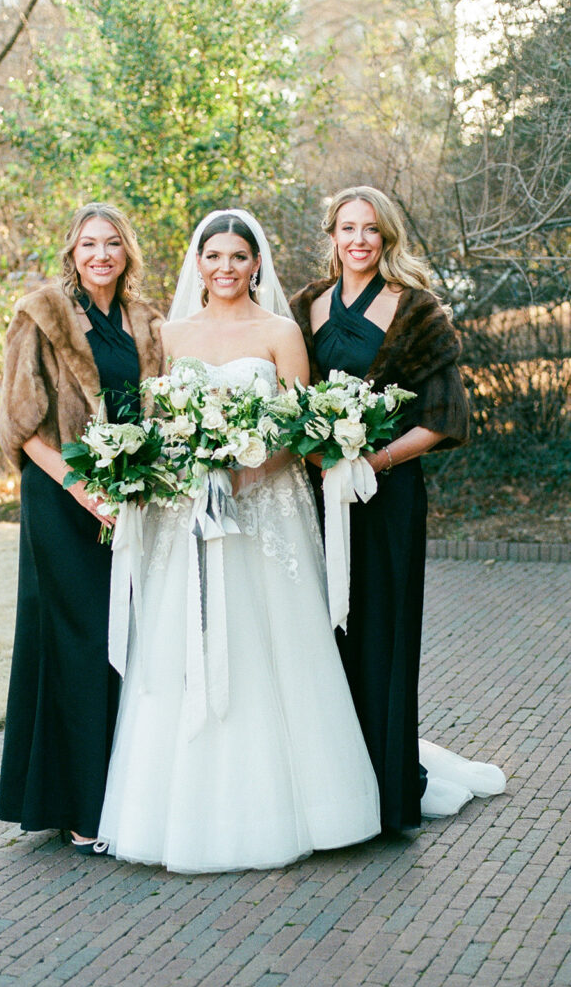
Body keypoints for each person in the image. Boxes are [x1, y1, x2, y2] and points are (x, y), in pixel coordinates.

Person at [97, 209, 381, 872]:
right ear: (196, 262)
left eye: (237, 257)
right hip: (185, 510)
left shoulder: (280, 331)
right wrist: (194, 464)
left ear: (257, 264)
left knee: (270, 642)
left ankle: (306, 809)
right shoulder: (168, 334)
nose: (225, 268)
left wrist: (250, 465)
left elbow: (298, 422)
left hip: (264, 510)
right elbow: (156, 420)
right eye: (213, 255)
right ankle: (174, 813)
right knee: (180, 642)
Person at [291, 185, 504, 830]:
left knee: (384, 628)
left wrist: (370, 462)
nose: (359, 240)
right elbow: (287, 399)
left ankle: (387, 790)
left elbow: (443, 418)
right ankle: (333, 781)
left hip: (387, 495)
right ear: (331, 235)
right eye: (347, 228)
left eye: (371, 229)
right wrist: (316, 456)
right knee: (323, 636)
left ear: (387, 238)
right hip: (315, 498)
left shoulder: (419, 312)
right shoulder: (303, 308)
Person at [0, 202, 163, 852]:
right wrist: (83, 489)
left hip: (129, 496)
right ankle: (77, 806)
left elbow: (160, 406)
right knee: (78, 638)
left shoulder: (147, 321)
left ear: (127, 252)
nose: (101, 255)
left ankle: (119, 792)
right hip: (62, 497)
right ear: (72, 251)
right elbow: (21, 422)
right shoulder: (41, 313)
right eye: (89, 244)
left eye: (112, 244)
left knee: (127, 639)